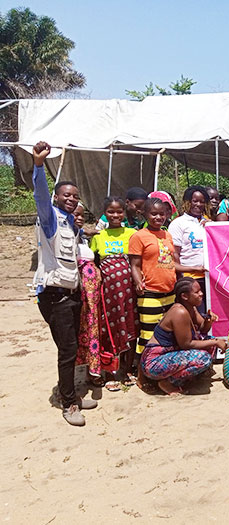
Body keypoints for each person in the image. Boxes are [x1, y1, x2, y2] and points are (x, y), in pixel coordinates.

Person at [31, 141, 98, 426]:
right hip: (55, 296)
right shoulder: (49, 218)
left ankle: (68, 392)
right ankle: (69, 403)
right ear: (57, 197)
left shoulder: (70, 222)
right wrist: (37, 165)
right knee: (68, 349)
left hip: (71, 293)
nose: (71, 198)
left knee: (70, 348)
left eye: (75, 196)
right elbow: (40, 195)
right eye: (66, 195)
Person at [141, 277, 223, 395]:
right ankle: (168, 382)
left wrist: (208, 321)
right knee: (204, 358)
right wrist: (216, 342)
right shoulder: (179, 312)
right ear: (185, 296)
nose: (201, 294)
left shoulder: (191, 308)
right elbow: (186, 344)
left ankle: (190, 377)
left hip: (170, 355)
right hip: (154, 362)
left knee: (209, 342)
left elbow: (202, 329)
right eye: (197, 292)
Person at [89, 196, 138, 390]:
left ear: (124, 213)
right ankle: (109, 371)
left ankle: (126, 369)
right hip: (107, 294)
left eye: (119, 211)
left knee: (130, 327)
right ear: (105, 213)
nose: (116, 215)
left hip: (128, 293)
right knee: (107, 330)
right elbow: (93, 264)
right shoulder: (98, 237)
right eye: (111, 211)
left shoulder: (132, 234)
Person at [128, 197, 177, 388]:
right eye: (153, 214)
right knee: (148, 335)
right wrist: (139, 282)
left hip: (170, 292)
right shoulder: (139, 236)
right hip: (150, 293)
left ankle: (162, 373)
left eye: (162, 214)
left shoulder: (167, 235)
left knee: (167, 335)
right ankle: (141, 374)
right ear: (145, 214)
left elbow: (171, 262)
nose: (158, 217)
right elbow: (135, 264)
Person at [73, 203, 105, 387]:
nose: (78, 218)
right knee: (83, 330)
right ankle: (86, 372)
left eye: (81, 215)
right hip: (82, 294)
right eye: (74, 215)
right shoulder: (64, 238)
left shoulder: (82, 237)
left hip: (93, 296)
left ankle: (92, 369)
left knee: (93, 329)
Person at [168, 186, 210, 314]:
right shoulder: (178, 223)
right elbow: (175, 254)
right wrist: (182, 277)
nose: (198, 204)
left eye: (202, 201)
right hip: (190, 278)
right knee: (195, 313)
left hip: (209, 277)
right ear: (187, 202)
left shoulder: (208, 223)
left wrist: (212, 226)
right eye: (195, 201)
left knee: (208, 314)